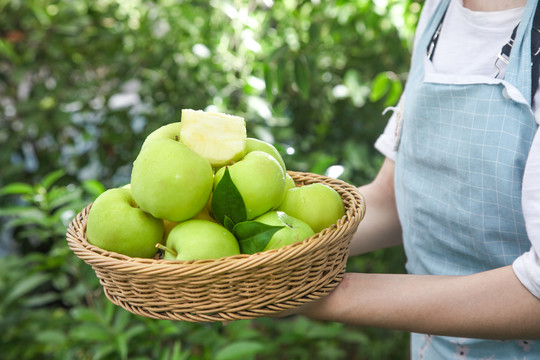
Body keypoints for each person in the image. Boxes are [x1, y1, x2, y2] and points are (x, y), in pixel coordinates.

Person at [282, 0, 540, 358]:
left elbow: (536, 293)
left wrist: (314, 292)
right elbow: (395, 202)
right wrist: (267, 243)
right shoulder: (439, 11)